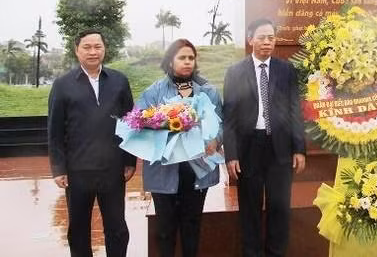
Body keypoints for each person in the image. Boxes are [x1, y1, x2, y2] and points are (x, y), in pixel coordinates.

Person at [47, 29, 137, 257]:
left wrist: (130, 161)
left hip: (112, 168)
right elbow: (55, 130)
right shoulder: (62, 85)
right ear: (77, 51)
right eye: (87, 47)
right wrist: (58, 168)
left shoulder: (119, 81)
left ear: (105, 49)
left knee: (117, 228)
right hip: (77, 170)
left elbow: (130, 122)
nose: (93, 52)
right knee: (78, 229)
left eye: (97, 46)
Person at [223, 18, 306, 257]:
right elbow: (229, 117)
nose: (267, 42)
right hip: (249, 148)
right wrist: (231, 154)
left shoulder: (286, 70)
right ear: (251, 40)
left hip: (280, 148)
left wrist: (299, 148)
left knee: (279, 208)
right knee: (249, 209)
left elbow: (294, 110)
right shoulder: (235, 72)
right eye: (262, 37)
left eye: (271, 37)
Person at [137, 39, 223, 257]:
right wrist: (162, 125)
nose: (187, 62)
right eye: (182, 58)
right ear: (170, 61)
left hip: (197, 169)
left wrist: (216, 140)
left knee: (191, 225)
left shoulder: (207, 91)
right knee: (165, 229)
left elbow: (222, 123)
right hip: (164, 170)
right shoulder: (154, 92)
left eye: (191, 58)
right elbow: (138, 123)